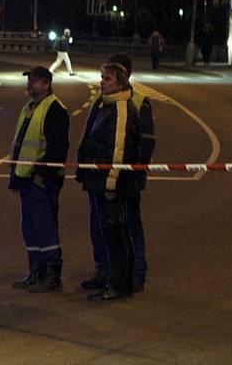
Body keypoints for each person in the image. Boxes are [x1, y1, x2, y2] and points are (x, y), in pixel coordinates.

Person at [81, 53, 155, 294]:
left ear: (124, 78)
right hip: (99, 180)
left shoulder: (132, 104)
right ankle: (107, 272)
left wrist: (125, 181)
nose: (102, 82)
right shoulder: (103, 102)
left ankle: (131, 277)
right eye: (102, 77)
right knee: (103, 228)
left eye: (108, 78)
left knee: (123, 229)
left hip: (119, 181)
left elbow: (130, 147)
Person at [9, 66, 70, 293]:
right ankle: (36, 271)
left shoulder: (55, 109)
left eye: (34, 81)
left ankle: (52, 275)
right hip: (27, 180)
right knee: (31, 229)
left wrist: (40, 176)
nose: (29, 84)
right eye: (29, 80)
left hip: (42, 182)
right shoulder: (29, 108)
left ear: (46, 84)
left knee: (45, 228)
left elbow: (57, 150)